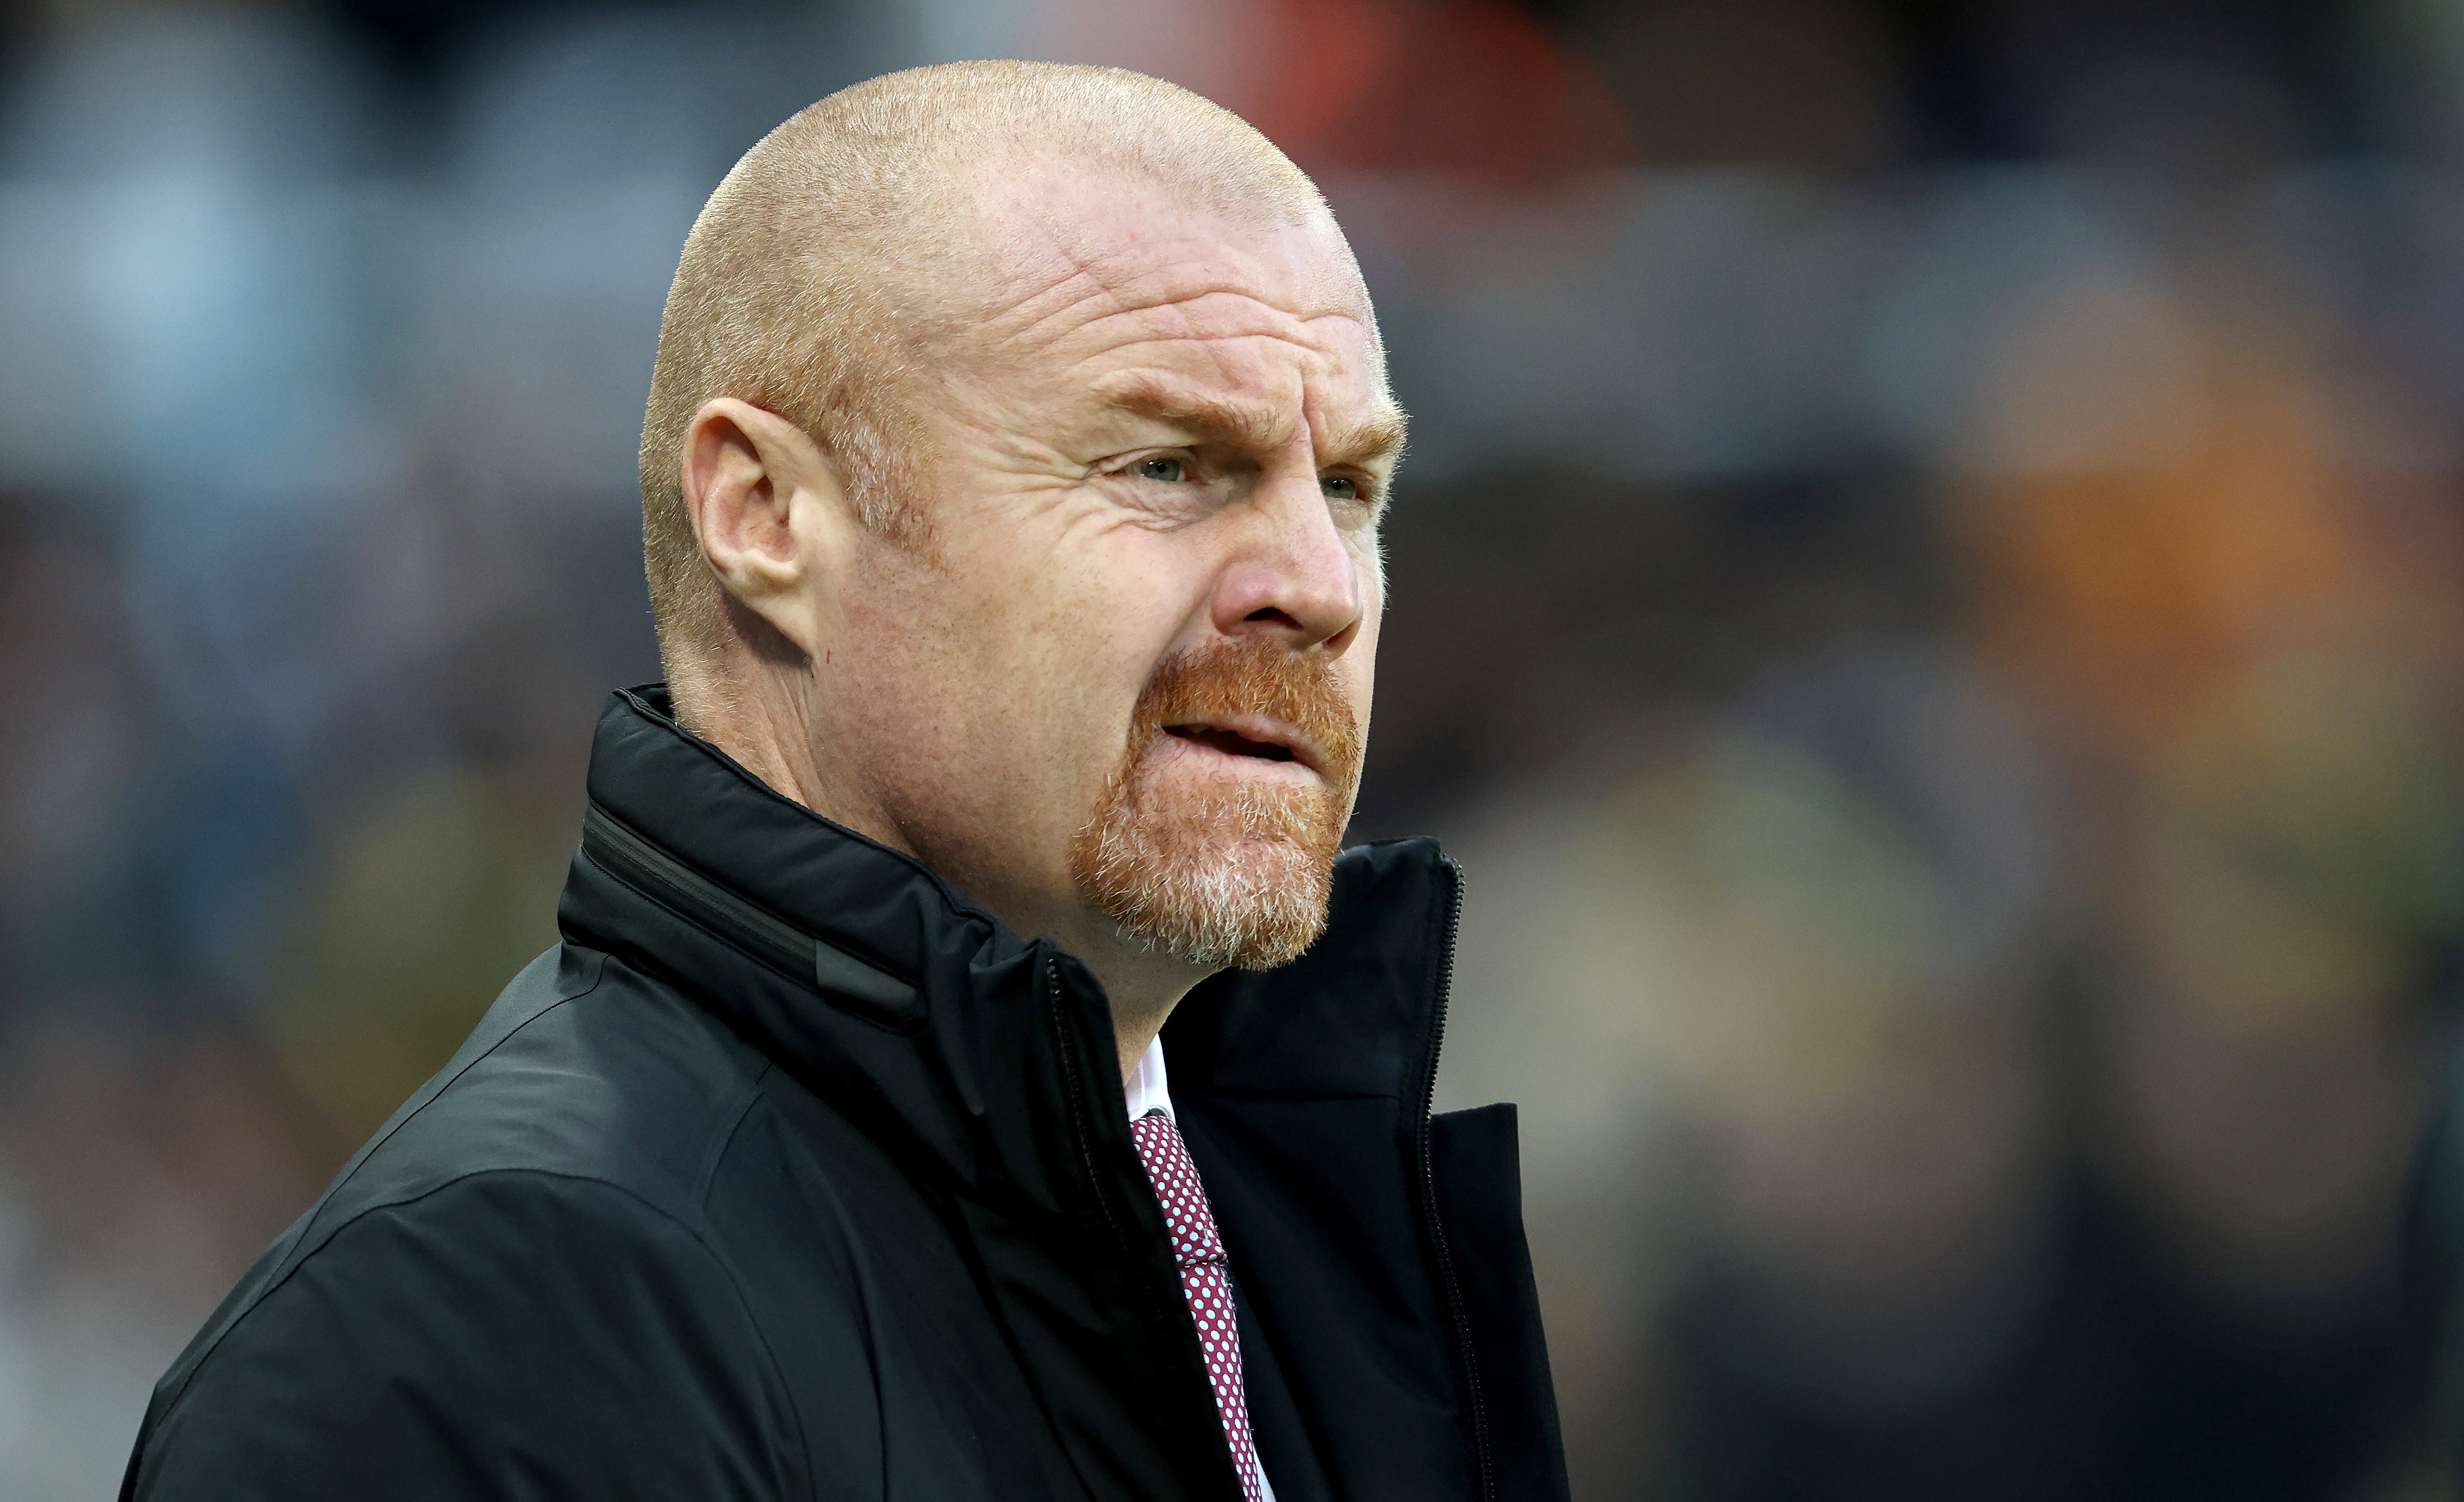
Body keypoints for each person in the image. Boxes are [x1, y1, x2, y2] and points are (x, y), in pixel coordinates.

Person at [120, 61, 1565, 1502]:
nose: (1319, 587)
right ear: (765, 517)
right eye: (1170, 465)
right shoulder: (481, 1326)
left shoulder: (1290, 1241)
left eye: (1351, 490)